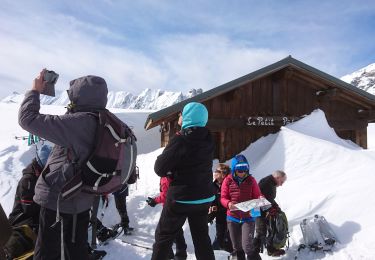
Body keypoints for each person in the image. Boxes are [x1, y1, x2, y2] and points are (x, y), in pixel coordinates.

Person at [18, 70, 108, 259]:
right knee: (75, 251)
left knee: (47, 253)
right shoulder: (105, 122)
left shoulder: (78, 123)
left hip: (58, 202)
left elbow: (27, 119)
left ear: (78, 96)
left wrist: (34, 91)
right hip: (84, 200)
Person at [151, 102, 215, 260]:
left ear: (188, 117)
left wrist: (172, 170)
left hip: (181, 197)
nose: (179, 116)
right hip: (203, 197)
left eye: (181, 114)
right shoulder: (208, 138)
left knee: (164, 237)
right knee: (201, 239)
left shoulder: (181, 139)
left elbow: (159, 168)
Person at [3, 144, 52, 259]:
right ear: (40, 164)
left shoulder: (42, 175)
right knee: (22, 241)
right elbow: (29, 209)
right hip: (22, 220)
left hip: (36, 219)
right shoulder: (28, 180)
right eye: (47, 167)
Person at [221, 154, 262, 260]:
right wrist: (228, 204)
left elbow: (258, 197)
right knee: (237, 247)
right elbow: (223, 198)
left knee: (247, 246)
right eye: (239, 170)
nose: (242, 172)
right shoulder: (227, 180)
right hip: (232, 218)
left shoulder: (251, 180)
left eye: (245, 169)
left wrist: (254, 212)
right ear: (234, 170)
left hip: (247, 218)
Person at [147, 176, 187, 260]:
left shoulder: (165, 179)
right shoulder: (175, 174)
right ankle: (181, 255)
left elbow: (165, 196)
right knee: (177, 231)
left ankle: (168, 254)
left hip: (170, 209)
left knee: (161, 234)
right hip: (179, 206)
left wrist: (154, 201)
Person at [252, 170, 287, 258]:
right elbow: (260, 198)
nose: (281, 184)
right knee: (261, 231)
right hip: (257, 209)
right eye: (281, 181)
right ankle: (253, 254)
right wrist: (270, 209)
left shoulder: (271, 183)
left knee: (271, 229)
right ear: (277, 177)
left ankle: (272, 250)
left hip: (262, 209)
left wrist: (275, 207)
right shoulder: (267, 183)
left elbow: (269, 198)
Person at [208, 164, 232, 252]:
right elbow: (211, 199)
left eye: (217, 171)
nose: (215, 172)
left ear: (223, 174)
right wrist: (212, 206)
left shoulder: (230, 185)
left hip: (230, 216)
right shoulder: (213, 185)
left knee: (229, 239)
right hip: (219, 217)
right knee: (220, 237)